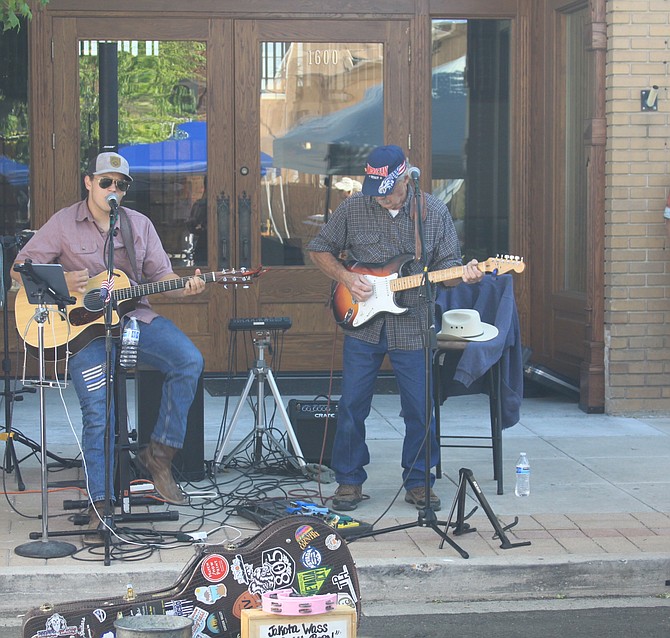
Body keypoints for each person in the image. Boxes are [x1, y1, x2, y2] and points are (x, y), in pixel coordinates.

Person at [11, 152, 205, 543]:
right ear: (89, 182)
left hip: (133, 321)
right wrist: (65, 280)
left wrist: (186, 285)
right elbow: (21, 269)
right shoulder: (64, 223)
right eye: (106, 182)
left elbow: (162, 276)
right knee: (99, 413)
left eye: (121, 184)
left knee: (189, 359)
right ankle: (101, 506)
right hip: (82, 331)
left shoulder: (138, 225)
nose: (113, 190)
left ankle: (159, 455)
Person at [307, 145, 483, 512]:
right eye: (378, 191)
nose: (384, 198)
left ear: (407, 178)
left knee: (419, 406)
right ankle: (349, 480)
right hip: (361, 322)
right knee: (353, 403)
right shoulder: (354, 207)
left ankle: (419, 481)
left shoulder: (432, 212)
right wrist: (346, 277)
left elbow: (448, 269)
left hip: (414, 323)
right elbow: (319, 248)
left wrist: (463, 275)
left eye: (390, 190)